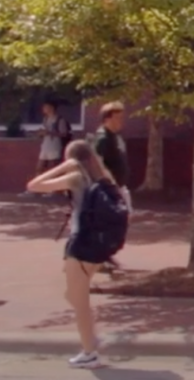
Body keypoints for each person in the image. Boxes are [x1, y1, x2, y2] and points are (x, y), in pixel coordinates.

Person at [26, 140, 117, 369]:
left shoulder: (75, 177)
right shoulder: (104, 178)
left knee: (80, 301)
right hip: (98, 246)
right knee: (73, 295)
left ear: (74, 159)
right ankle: (92, 339)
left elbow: (34, 185)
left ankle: (90, 353)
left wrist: (63, 166)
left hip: (82, 244)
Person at [91, 102, 131, 271]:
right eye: (118, 117)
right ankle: (100, 255)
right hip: (110, 188)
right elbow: (96, 163)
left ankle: (105, 253)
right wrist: (107, 186)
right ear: (107, 118)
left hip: (119, 186)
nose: (122, 121)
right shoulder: (103, 138)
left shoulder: (114, 136)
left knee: (123, 218)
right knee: (113, 220)